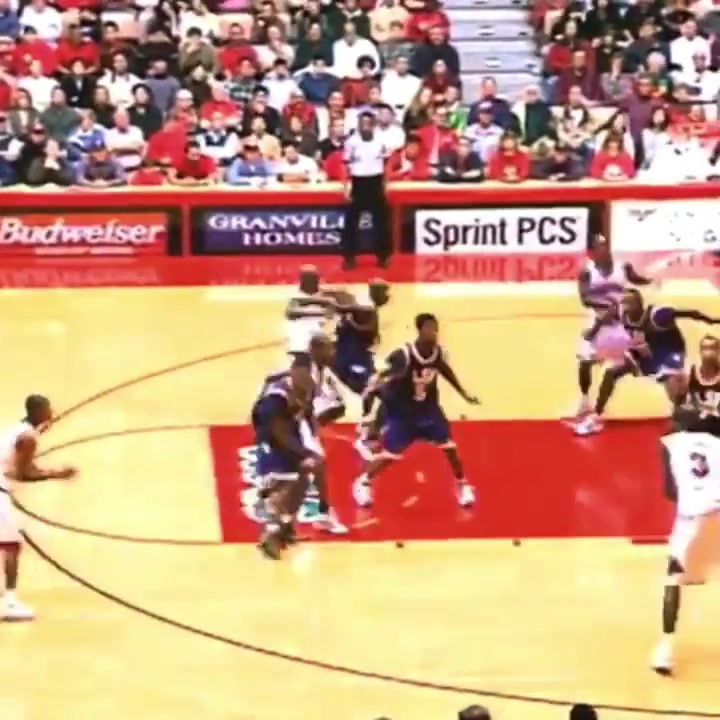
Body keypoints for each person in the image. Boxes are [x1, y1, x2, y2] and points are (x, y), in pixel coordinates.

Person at [352, 313, 479, 509]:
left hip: (429, 411)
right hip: (405, 414)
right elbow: (385, 375)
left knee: (450, 448)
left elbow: (446, 371)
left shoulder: (438, 353)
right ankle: (363, 482)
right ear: (419, 330)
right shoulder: (404, 354)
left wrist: (464, 394)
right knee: (390, 456)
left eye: (435, 328)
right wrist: (378, 384)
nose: (433, 332)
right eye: (429, 328)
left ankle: (462, 486)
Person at [576, 289, 720, 436]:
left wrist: (712, 320)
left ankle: (686, 419)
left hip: (670, 357)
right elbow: (607, 321)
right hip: (646, 358)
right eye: (624, 302)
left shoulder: (658, 315)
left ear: (639, 303)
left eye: (629, 302)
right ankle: (597, 415)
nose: (625, 305)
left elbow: (690, 313)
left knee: (676, 394)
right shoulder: (624, 316)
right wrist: (594, 333)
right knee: (611, 373)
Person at [651, 403, 720, 674]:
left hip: (692, 521)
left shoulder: (670, 443)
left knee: (673, 580)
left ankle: (665, 650)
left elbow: (670, 492)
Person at [1, 395, 76, 620]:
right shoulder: (27, 438)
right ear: (39, 413)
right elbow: (24, 474)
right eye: (48, 410)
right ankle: (9, 603)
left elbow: (24, 463)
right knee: (12, 545)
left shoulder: (18, 430)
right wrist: (57, 474)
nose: (52, 414)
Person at [575, 234, 652, 419]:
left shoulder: (622, 267)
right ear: (592, 251)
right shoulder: (586, 272)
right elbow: (585, 299)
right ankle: (585, 401)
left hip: (621, 323)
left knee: (616, 369)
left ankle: (599, 410)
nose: (604, 248)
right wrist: (608, 306)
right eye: (599, 246)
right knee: (584, 362)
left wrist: (650, 280)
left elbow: (635, 279)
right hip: (598, 321)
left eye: (605, 244)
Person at [251, 358, 319, 559]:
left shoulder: (304, 387)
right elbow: (278, 432)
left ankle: (286, 529)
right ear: (294, 372)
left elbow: (307, 417)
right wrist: (303, 452)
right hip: (273, 444)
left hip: (288, 439)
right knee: (281, 488)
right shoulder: (275, 398)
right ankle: (269, 538)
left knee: (303, 481)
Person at [341, 111, 391, 271]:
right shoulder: (351, 142)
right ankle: (349, 257)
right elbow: (345, 164)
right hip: (358, 182)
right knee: (351, 222)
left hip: (375, 181)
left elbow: (386, 163)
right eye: (363, 124)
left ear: (373, 125)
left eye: (369, 124)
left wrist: (386, 183)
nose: (365, 127)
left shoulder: (381, 141)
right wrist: (346, 186)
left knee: (382, 221)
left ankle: (383, 257)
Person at [284, 266, 337, 361]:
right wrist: (320, 313)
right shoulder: (294, 296)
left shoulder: (324, 296)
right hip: (300, 344)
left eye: (314, 279)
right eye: (309, 280)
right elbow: (290, 313)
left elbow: (332, 312)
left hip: (320, 343)